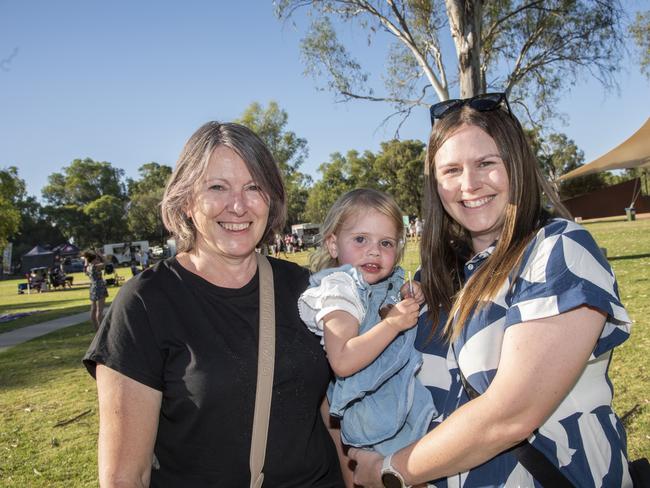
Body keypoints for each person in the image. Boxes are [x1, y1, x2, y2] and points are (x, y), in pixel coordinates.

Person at [349, 93, 633, 487]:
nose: (469, 184)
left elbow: (509, 416)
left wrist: (388, 470)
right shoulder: (436, 276)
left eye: (486, 163)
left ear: (516, 166)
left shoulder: (556, 250)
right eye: (451, 170)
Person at [83, 121, 347, 487]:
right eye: (217, 187)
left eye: (253, 187)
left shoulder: (306, 289)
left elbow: (330, 413)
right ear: (188, 201)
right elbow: (125, 475)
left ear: (271, 199)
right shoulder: (145, 303)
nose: (237, 206)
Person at [299, 188, 433, 456]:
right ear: (333, 244)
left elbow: (386, 303)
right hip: (371, 415)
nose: (374, 251)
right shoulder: (340, 289)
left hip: (398, 404)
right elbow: (343, 360)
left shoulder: (386, 281)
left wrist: (410, 292)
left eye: (386, 243)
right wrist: (392, 324)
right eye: (361, 239)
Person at [82, 250, 108, 331]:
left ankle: (97, 330)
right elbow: (106, 263)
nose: (98, 260)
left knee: (93, 310)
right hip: (99, 287)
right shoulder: (95, 266)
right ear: (93, 260)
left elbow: (86, 266)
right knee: (99, 311)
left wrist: (86, 259)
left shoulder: (88, 268)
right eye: (96, 259)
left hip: (92, 287)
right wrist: (100, 255)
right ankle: (102, 331)